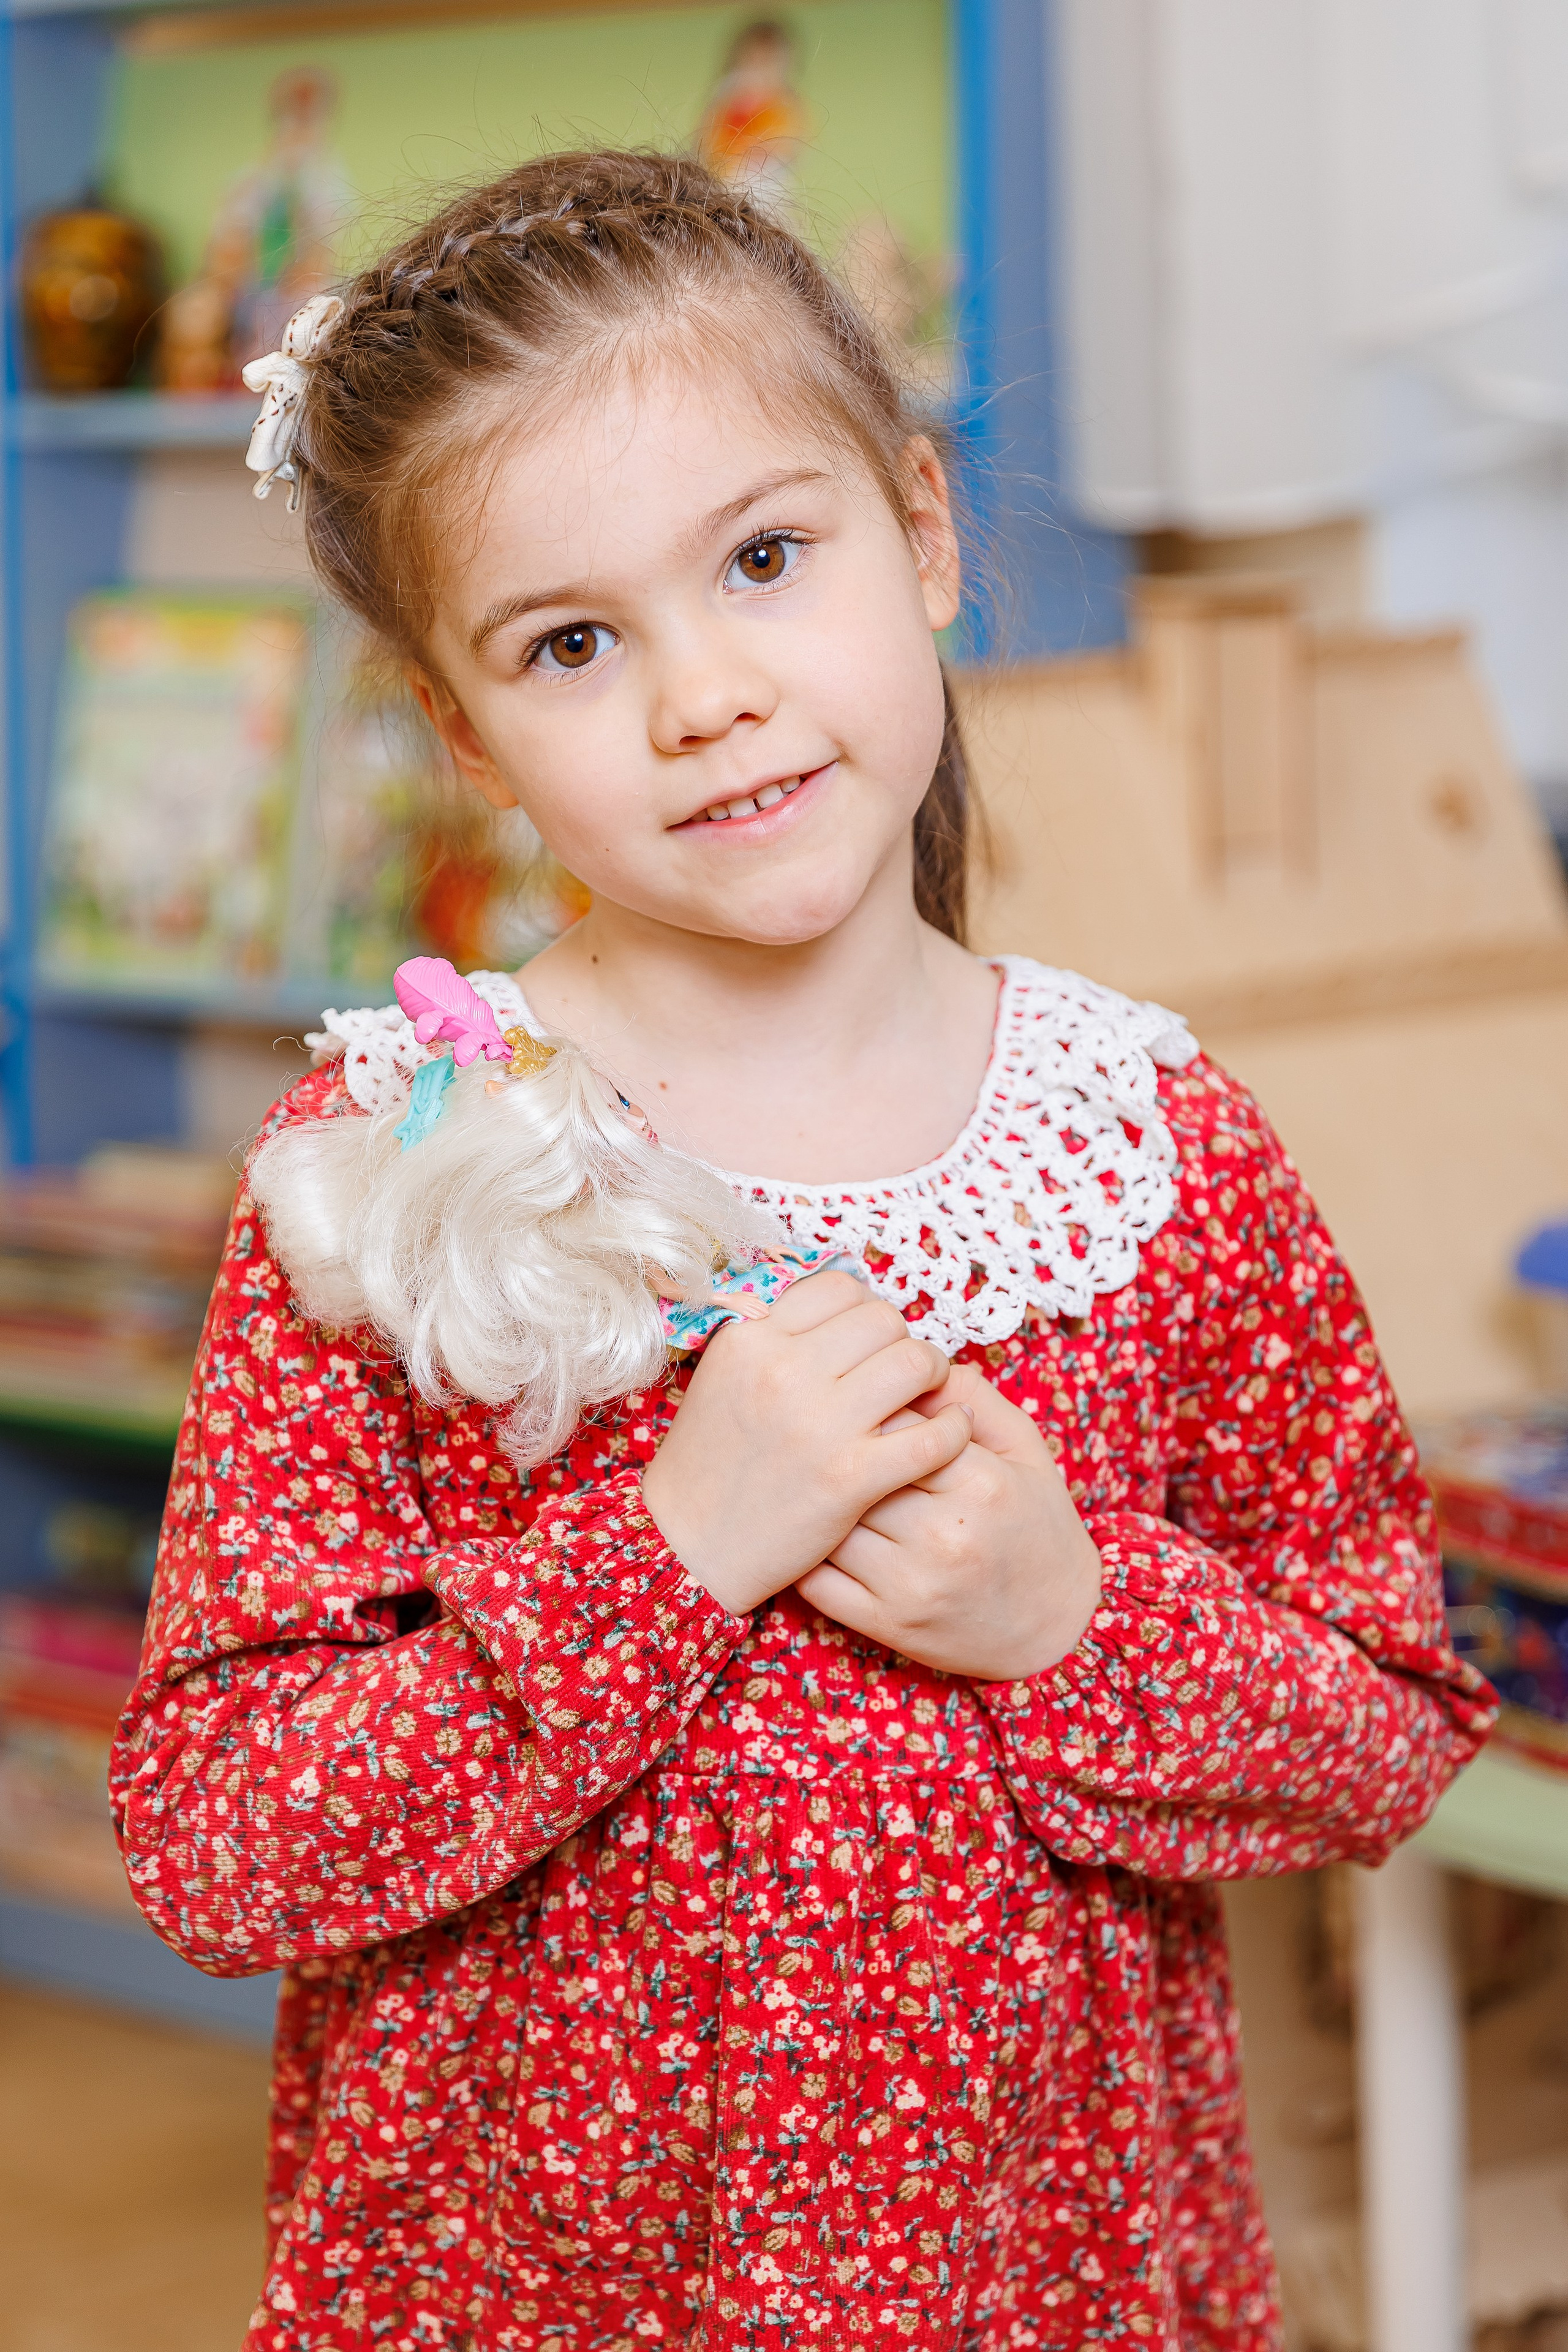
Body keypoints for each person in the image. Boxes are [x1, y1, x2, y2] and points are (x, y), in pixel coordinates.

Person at [111, 151, 1493, 2352]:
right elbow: (220, 1844)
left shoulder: (1151, 1154)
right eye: (575, 642)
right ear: (465, 735)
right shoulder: (396, 1171)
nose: (705, 698)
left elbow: (1392, 1735)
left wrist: (1072, 1619)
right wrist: (661, 1556)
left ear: (924, 535)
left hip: (1043, 2293)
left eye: (766, 557)